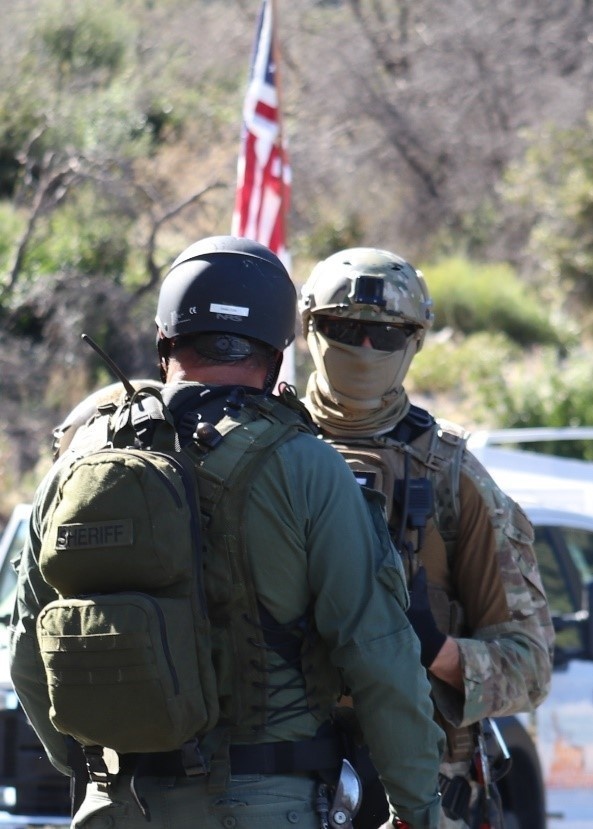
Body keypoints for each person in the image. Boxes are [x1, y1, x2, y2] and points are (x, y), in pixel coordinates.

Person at [9, 236, 444, 829]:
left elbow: (26, 644)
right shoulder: (307, 466)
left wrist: (92, 770)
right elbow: (379, 655)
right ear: (276, 354)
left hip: (115, 806)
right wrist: (418, 811)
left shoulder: (78, 461)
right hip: (266, 801)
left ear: (164, 342)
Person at [299, 247, 555, 829]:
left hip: (416, 800)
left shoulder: (452, 475)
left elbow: (532, 665)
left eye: (385, 334)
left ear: (414, 341)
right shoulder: (259, 453)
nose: (365, 349)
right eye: (346, 328)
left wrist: (439, 652)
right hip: (272, 788)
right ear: (310, 330)